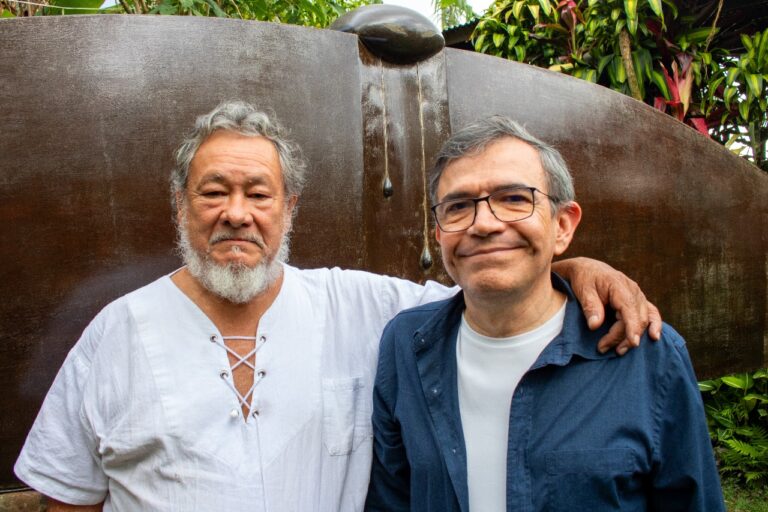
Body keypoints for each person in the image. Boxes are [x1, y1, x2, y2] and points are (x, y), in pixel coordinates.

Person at [15, 102, 660, 512]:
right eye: (214, 192)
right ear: (181, 206)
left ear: (289, 208)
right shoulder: (116, 334)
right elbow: (71, 497)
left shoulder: (365, 307)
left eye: (259, 193)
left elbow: (493, 291)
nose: (236, 213)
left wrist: (572, 267)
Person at [365, 116, 725, 511]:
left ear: (563, 226)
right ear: (438, 234)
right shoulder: (407, 346)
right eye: (458, 206)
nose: (483, 223)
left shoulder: (646, 354)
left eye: (514, 199)